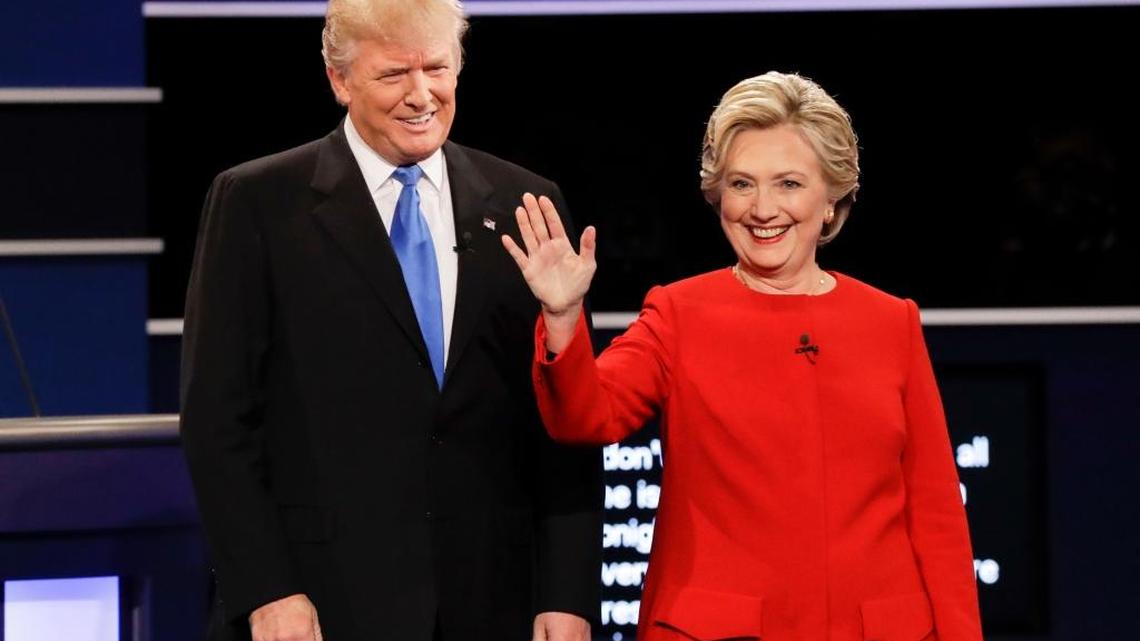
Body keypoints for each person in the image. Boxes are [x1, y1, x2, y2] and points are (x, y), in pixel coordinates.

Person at [502, 71, 983, 641]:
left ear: (831, 198)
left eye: (788, 184)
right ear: (718, 195)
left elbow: (936, 516)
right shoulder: (680, 314)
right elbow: (588, 415)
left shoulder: (890, 321)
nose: (762, 208)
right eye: (741, 184)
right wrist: (562, 317)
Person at [179, 1, 600, 640]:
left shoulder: (525, 204)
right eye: (393, 74)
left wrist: (567, 594)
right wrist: (267, 590)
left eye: (437, 67)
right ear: (338, 79)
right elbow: (217, 420)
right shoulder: (259, 203)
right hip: (321, 602)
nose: (421, 94)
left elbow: (561, 419)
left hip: (493, 600)